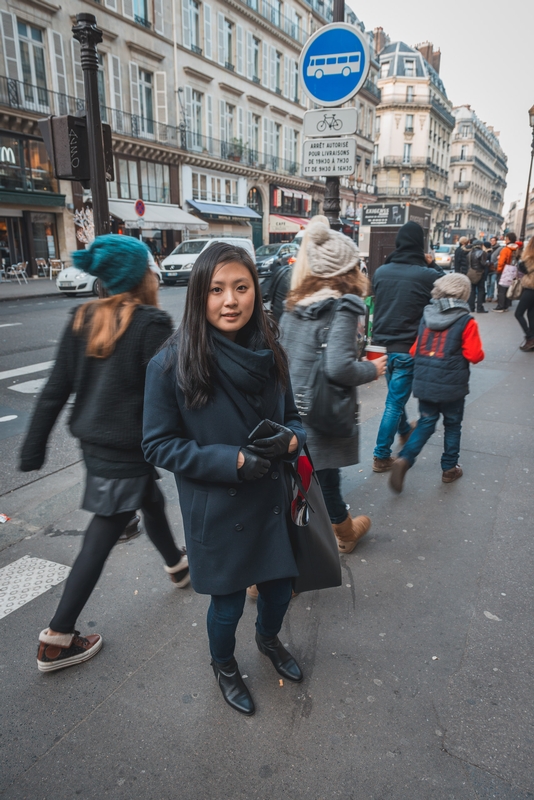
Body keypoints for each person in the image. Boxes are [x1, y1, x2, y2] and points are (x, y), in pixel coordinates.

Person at [142, 242, 306, 716]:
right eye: (216, 290)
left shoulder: (270, 347)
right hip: (219, 509)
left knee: (278, 591)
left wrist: (293, 443)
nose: (230, 300)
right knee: (228, 605)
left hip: (272, 502)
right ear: (199, 295)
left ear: (256, 290)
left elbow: (295, 419)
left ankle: (269, 640)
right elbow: (156, 444)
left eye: (240, 287)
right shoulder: (170, 363)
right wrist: (229, 461)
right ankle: (224, 664)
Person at [19, 235, 189, 673]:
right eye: (150, 267)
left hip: (96, 447)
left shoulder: (82, 317)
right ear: (140, 276)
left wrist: (33, 446)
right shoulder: (151, 323)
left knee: (150, 499)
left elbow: (56, 388)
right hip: (125, 449)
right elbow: (174, 393)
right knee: (101, 537)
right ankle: (57, 637)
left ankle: (176, 564)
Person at [279, 222, 386, 553]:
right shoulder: (343, 306)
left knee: (302, 483)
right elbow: (338, 367)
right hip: (321, 413)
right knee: (324, 479)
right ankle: (341, 535)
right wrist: (372, 368)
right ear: (349, 268)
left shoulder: (296, 305)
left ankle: (332, 535)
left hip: (291, 411)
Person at [389, 273, 484, 493]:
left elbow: (414, 350)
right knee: (452, 425)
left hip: (425, 383)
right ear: (464, 293)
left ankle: (404, 459)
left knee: (426, 422)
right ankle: (449, 468)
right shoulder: (466, 320)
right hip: (452, 387)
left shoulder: (427, 316)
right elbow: (475, 355)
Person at [371, 221, 443, 473]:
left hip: (381, 348)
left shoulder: (380, 271)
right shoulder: (427, 274)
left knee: (394, 395)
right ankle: (381, 455)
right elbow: (451, 288)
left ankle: (403, 430)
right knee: (394, 401)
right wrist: (431, 262)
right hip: (407, 348)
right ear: (418, 245)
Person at [515, 238, 534, 350]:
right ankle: (532, 341)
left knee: (518, 313)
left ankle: (530, 337)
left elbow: (522, 268)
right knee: (531, 314)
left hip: (531, 288)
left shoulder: (529, 259)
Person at [494, 232, 518, 312]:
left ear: (508, 239)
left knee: (501, 289)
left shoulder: (506, 249)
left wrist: (498, 270)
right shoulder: (517, 249)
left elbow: (501, 262)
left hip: (504, 271)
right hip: (513, 271)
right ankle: (506, 305)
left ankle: (501, 306)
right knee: (509, 288)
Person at [467, 240, 488, 313]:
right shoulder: (482, 253)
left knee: (472, 290)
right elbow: (483, 263)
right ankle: (479, 308)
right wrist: (489, 263)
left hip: (471, 272)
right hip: (479, 273)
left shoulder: (470, 253)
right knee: (481, 290)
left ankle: (471, 307)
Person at [486, 235, 501, 301]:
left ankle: (491, 295)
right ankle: (488, 295)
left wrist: (494, 264)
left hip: (495, 268)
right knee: (488, 283)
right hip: (488, 268)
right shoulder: (488, 248)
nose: (492, 242)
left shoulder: (499, 248)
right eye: (491, 240)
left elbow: (500, 258)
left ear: (496, 241)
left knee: (492, 282)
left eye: (493, 240)